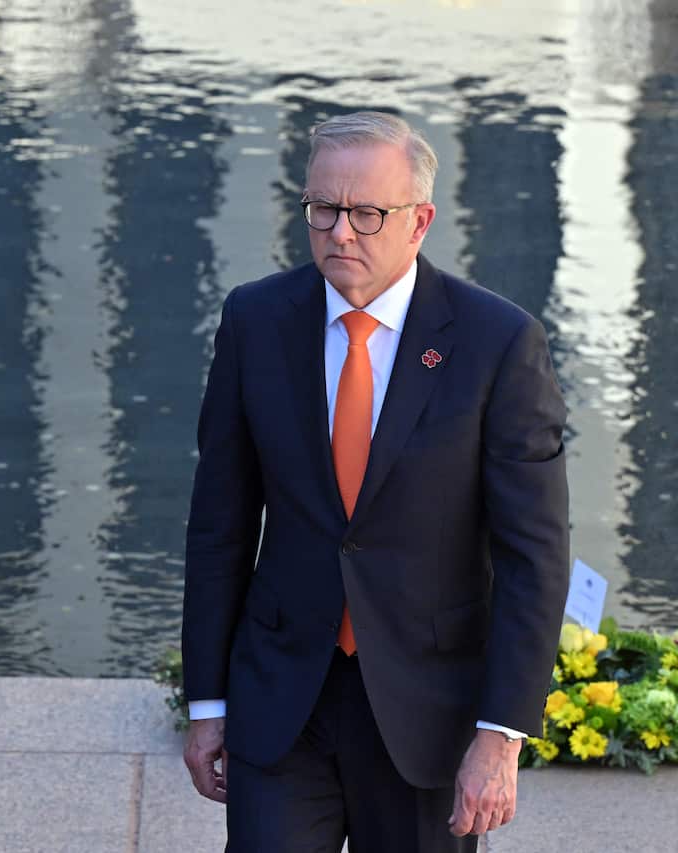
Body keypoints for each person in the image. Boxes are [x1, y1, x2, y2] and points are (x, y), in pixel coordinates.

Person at [180, 111, 570, 852]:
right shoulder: (255, 320)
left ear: (420, 221)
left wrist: (501, 735)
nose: (340, 232)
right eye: (322, 208)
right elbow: (219, 526)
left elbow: (534, 558)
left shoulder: (498, 344)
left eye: (366, 213)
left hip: (428, 713)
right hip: (281, 701)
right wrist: (207, 701)